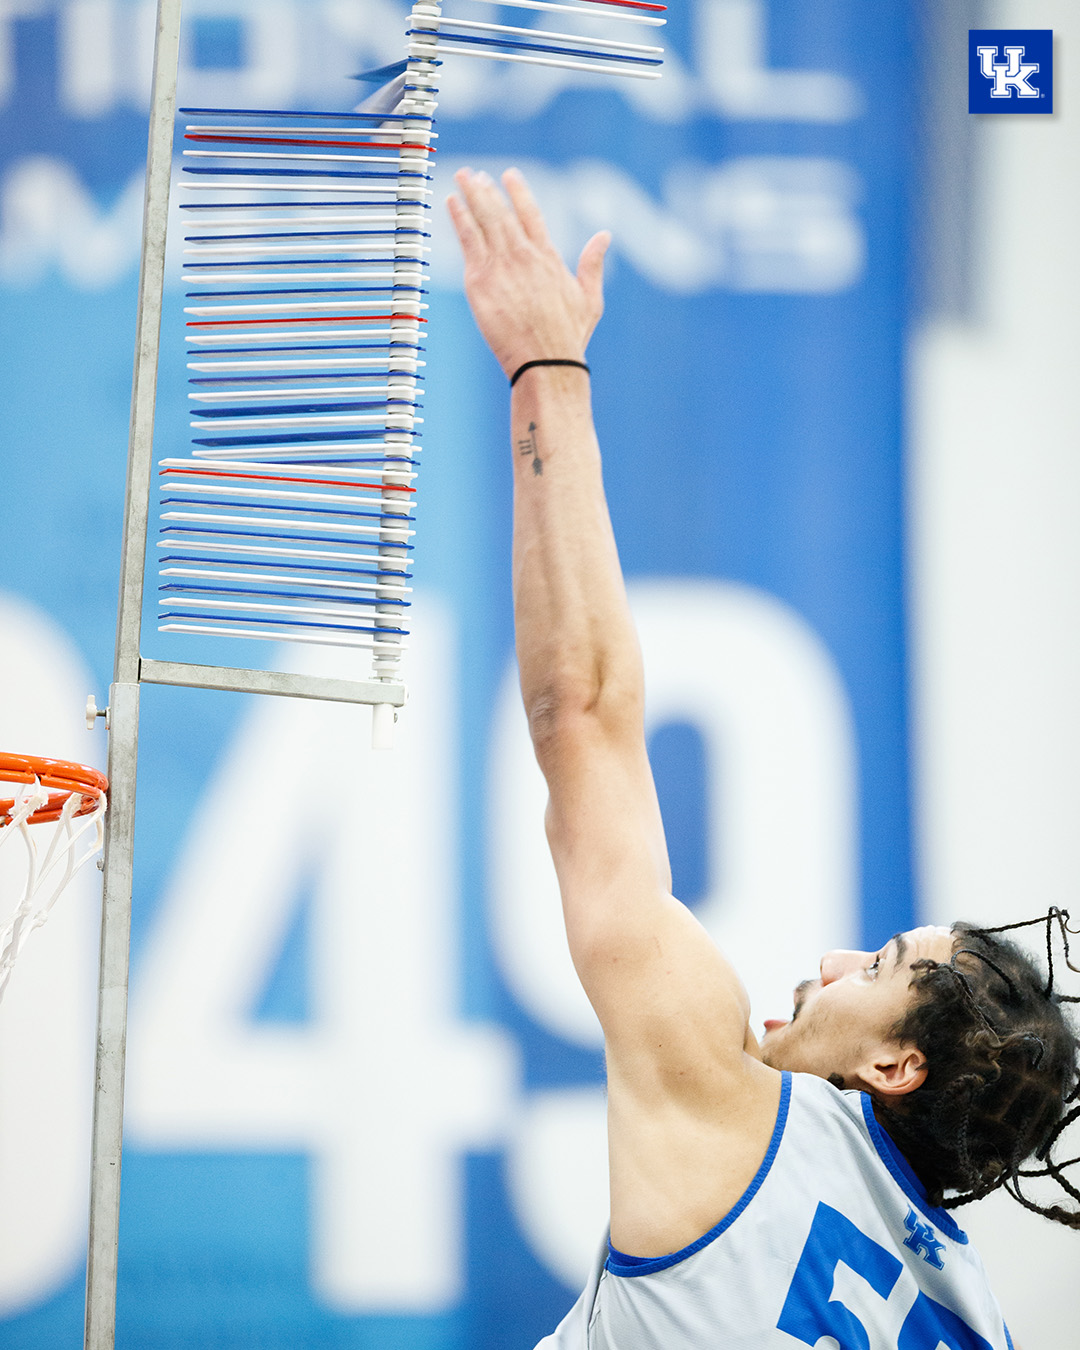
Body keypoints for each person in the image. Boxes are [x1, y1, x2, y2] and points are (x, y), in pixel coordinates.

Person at [446, 167, 1080, 1350]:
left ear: (896, 1065)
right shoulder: (979, 1317)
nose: (835, 958)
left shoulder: (736, 1113)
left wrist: (546, 372)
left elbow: (581, 712)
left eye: (881, 961)